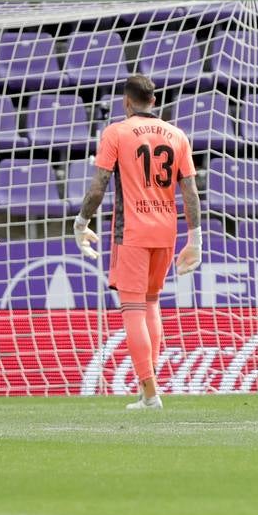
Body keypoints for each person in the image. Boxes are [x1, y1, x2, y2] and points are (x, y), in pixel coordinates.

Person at [74, 74, 202, 411]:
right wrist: (195, 238)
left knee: (132, 308)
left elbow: (99, 185)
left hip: (131, 230)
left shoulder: (116, 132)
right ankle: (150, 388)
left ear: (126, 102)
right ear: (154, 101)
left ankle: (149, 392)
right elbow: (189, 190)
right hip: (166, 230)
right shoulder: (177, 135)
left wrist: (81, 222)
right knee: (151, 303)